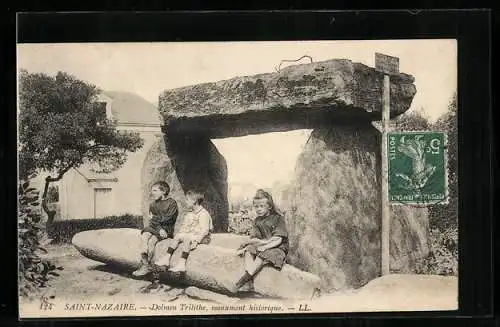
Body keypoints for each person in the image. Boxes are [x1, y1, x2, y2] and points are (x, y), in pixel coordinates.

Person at [234, 189, 289, 291]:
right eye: (256, 206)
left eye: (261, 206)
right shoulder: (257, 220)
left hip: (277, 247)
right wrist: (249, 244)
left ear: (269, 206)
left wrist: (265, 246)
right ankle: (249, 280)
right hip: (263, 245)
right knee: (249, 250)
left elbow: (278, 239)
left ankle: (242, 280)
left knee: (263, 255)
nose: (258, 209)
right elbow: (255, 238)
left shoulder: (278, 218)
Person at [154, 190, 213, 272]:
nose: (186, 202)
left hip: (203, 237)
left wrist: (197, 241)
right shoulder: (190, 213)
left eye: (187, 200)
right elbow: (184, 227)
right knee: (178, 236)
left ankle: (182, 263)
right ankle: (166, 258)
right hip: (192, 235)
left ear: (194, 201)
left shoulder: (203, 214)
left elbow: (205, 231)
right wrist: (180, 235)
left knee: (187, 238)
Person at [132, 181, 178, 277]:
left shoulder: (172, 203)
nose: (152, 193)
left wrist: (156, 221)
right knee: (145, 235)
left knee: (152, 241)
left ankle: (147, 265)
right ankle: (144, 260)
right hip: (155, 228)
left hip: (167, 230)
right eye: (152, 190)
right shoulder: (152, 205)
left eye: (155, 190)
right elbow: (152, 222)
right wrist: (158, 227)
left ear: (164, 191)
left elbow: (168, 218)